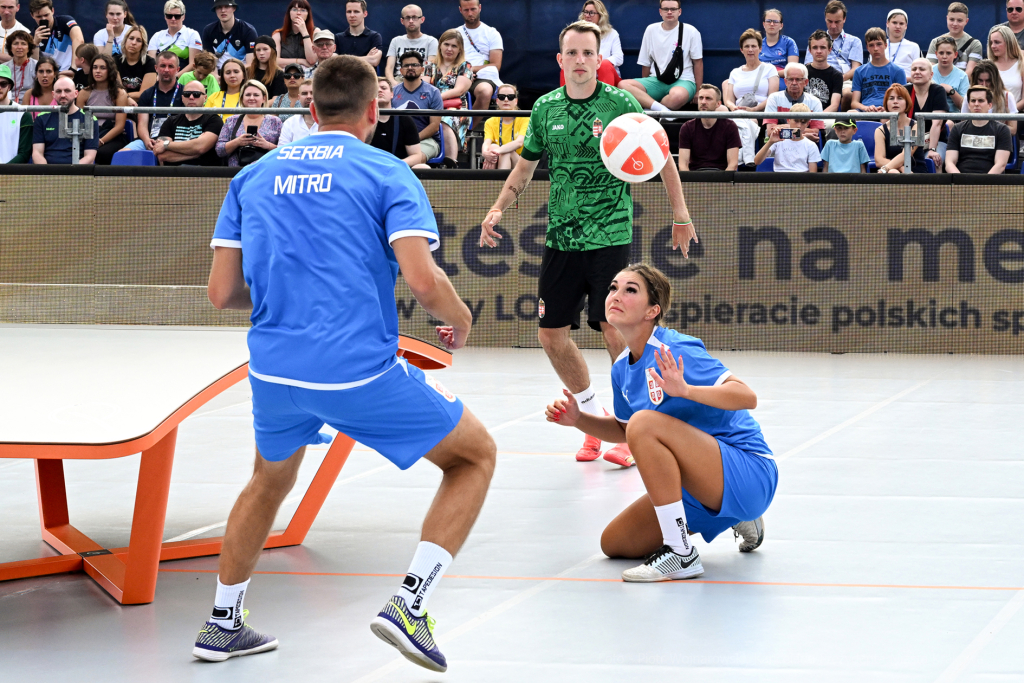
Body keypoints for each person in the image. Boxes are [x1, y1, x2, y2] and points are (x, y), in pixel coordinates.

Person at [197, 54, 494, 673]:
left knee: (269, 481)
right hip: (355, 371)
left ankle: (222, 621)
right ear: (374, 110)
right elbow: (421, 276)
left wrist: (286, 296)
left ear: (309, 110)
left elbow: (222, 293)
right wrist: (461, 319)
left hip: (274, 372)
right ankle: (411, 605)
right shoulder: (386, 172)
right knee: (474, 456)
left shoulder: (251, 178)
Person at [480, 21, 695, 466]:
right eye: (572, 53)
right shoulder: (544, 108)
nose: (580, 60)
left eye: (587, 53)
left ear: (600, 59)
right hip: (561, 236)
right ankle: (592, 419)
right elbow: (523, 170)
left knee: (613, 330)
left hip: (609, 236)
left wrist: (681, 216)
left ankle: (627, 431)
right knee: (550, 333)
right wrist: (498, 207)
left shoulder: (619, 103)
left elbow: (662, 160)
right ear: (560, 60)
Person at [546, 263, 776, 581]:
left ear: (652, 310)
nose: (615, 294)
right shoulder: (621, 369)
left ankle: (681, 552)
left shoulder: (675, 350)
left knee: (644, 423)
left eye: (630, 290)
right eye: (613, 287)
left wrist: (687, 390)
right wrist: (578, 420)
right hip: (698, 486)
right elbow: (625, 431)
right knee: (614, 543)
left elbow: (746, 396)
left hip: (748, 472)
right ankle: (732, 517)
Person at [619, 0, 703, 113]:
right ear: (660, 11)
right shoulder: (651, 30)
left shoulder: (691, 31)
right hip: (656, 80)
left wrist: (698, 92)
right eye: (665, 9)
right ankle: (662, 110)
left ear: (680, 11)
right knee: (622, 85)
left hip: (684, 81)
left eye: (673, 9)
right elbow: (645, 63)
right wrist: (644, 92)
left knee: (677, 97)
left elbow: (698, 63)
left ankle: (651, 109)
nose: (669, 12)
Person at [424, 29, 471, 167]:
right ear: (440, 46)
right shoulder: (429, 65)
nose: (449, 49)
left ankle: (451, 162)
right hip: (431, 106)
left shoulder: (465, 66)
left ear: (459, 49)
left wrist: (437, 98)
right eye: (446, 44)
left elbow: (459, 90)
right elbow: (424, 87)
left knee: (445, 119)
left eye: (454, 46)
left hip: (456, 107)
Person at [804, 0, 862, 109]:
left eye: (837, 22)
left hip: (844, 79)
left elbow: (856, 69)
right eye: (829, 21)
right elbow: (808, 65)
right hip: (818, 76)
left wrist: (839, 78)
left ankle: (844, 123)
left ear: (844, 19)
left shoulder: (854, 41)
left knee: (849, 94)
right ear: (825, 18)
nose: (833, 25)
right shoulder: (815, 39)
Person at [152, 79, 222, 165]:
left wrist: (166, 145)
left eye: (196, 94)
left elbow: (200, 147)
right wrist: (196, 153)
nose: (191, 97)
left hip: (204, 175)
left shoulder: (214, 119)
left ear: (205, 98)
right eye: (187, 94)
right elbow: (162, 155)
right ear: (182, 98)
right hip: (175, 175)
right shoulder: (170, 121)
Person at [76, 53, 128, 164]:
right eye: (95, 67)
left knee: (102, 153)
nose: (97, 71)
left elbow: (119, 126)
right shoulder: (84, 93)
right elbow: (79, 121)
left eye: (102, 68)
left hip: (112, 137)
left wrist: (101, 141)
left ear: (110, 71)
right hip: (89, 135)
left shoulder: (120, 93)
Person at [947, 84, 1013, 172]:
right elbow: (949, 163)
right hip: (962, 181)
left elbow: (1001, 164)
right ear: (969, 105)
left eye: (981, 101)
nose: (976, 104)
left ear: (990, 105)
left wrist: (983, 183)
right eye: (973, 101)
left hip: (990, 182)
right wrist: (960, 181)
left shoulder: (1002, 130)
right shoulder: (957, 129)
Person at [216, 78, 281, 167]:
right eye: (248, 95)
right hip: (236, 173)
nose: (251, 98)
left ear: (264, 98)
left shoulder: (275, 121)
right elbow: (219, 151)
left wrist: (268, 145)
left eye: (256, 95)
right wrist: (237, 142)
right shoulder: (231, 121)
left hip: (265, 171)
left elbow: (285, 151)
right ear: (242, 98)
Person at [392, 50, 443, 163]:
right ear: (400, 70)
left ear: (422, 69)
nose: (410, 67)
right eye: (406, 65)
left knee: (416, 159)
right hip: (397, 139)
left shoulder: (433, 92)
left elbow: (434, 126)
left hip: (426, 140)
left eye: (414, 65)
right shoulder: (393, 92)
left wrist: (411, 140)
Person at [32, 75, 96, 163]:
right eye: (58, 91)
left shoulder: (89, 119)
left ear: (76, 93)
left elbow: (90, 156)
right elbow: (37, 153)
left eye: (67, 91)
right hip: (48, 172)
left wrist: (71, 173)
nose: (62, 95)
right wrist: (46, 173)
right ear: (53, 94)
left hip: (77, 173)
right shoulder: (41, 118)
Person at [677, 84, 740, 171]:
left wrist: (722, 183)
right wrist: (690, 183)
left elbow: (733, 164)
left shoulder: (730, 126)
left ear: (718, 104)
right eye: (701, 98)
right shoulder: (687, 127)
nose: (703, 102)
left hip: (721, 178)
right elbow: (683, 165)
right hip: (695, 179)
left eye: (708, 98)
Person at [130, 51, 185, 153]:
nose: (166, 70)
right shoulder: (147, 94)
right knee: (123, 154)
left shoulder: (185, 93)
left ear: (178, 69)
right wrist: (147, 140)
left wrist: (167, 144)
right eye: (163, 66)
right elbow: (142, 124)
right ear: (156, 68)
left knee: (162, 155)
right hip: (148, 140)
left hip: (175, 142)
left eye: (171, 66)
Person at [457, 0, 502, 117]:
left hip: (482, 77)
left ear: (480, 8)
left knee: (485, 91)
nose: (470, 13)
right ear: (460, 10)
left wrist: (471, 70)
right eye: (466, 10)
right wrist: (464, 73)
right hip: (458, 75)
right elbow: (447, 60)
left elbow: (496, 65)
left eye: (473, 9)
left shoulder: (492, 33)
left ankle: (467, 131)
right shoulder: (455, 33)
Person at [722, 28, 779, 112]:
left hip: (761, 113)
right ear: (741, 50)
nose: (750, 50)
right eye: (746, 46)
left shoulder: (770, 69)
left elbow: (772, 97)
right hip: (739, 113)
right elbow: (729, 100)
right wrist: (733, 108)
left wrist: (754, 110)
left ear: (760, 49)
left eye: (753, 46)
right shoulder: (735, 72)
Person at [851, 27, 907, 111]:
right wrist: (866, 108)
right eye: (871, 45)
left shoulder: (898, 71)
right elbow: (854, 102)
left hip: (889, 111)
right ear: (867, 47)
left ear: (885, 45)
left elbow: (904, 100)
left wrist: (886, 109)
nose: (875, 49)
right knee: (850, 113)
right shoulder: (859, 71)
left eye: (879, 44)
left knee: (884, 118)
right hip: (865, 111)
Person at [764, 62, 824, 140]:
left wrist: (784, 127)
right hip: (779, 147)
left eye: (798, 79)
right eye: (791, 79)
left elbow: (815, 133)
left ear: (805, 82)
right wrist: (802, 133)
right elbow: (770, 132)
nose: (794, 83)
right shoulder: (773, 98)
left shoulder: (815, 102)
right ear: (785, 81)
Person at [875, 83, 927, 173]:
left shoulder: (917, 126)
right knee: (893, 172)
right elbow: (879, 160)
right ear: (886, 104)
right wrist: (901, 168)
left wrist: (885, 168)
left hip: (916, 172)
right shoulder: (880, 130)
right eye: (891, 98)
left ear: (907, 102)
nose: (895, 101)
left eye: (900, 98)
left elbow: (907, 154)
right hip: (893, 171)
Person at [754, 103, 821, 172]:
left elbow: (812, 175)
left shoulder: (811, 145)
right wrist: (770, 142)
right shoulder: (778, 140)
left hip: (801, 180)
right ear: (788, 120)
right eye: (796, 121)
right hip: (780, 179)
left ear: (807, 123)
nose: (799, 125)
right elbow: (757, 161)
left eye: (803, 122)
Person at [371, 76, 422, 165]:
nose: (379, 91)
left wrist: (396, 165)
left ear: (392, 94)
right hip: (372, 168)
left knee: (423, 167)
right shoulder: (364, 120)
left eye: (384, 88)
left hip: (398, 169)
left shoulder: (405, 120)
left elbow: (417, 156)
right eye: (375, 89)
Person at [908, 57, 948, 167]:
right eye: (914, 69)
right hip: (909, 140)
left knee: (935, 160)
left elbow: (937, 123)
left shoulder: (938, 91)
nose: (917, 72)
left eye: (921, 69)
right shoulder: (904, 91)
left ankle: (937, 184)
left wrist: (932, 149)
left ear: (931, 74)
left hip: (935, 141)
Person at [384, 4, 436, 85]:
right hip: (399, 80)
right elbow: (389, 68)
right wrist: (394, 84)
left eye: (414, 17)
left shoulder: (431, 41)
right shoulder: (396, 41)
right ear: (402, 21)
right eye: (407, 18)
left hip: (421, 81)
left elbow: (429, 71)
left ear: (422, 19)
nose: (411, 21)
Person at [963, 59, 1018, 135]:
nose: (984, 85)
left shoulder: (1007, 96)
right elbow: (963, 126)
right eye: (980, 80)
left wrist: (986, 127)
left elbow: (1013, 130)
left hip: (999, 140)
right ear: (975, 80)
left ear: (995, 80)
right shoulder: (969, 97)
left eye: (988, 80)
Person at [926, 2, 982, 75]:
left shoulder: (975, 44)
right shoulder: (935, 42)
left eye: (959, 20)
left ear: (966, 21)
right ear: (947, 19)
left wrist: (952, 85)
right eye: (951, 19)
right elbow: (931, 70)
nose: (955, 24)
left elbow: (970, 73)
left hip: (963, 85)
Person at [481, 82, 527, 169]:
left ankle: (496, 181)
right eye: (502, 97)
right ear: (497, 101)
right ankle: (499, 181)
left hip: (520, 163)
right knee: (492, 147)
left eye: (510, 97)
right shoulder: (490, 122)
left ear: (516, 101)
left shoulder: (525, 119)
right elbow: (487, 142)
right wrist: (485, 153)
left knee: (506, 151)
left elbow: (519, 143)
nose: (506, 100)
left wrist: (497, 151)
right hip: (498, 158)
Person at [29, 0, 83, 74]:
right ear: (32, 15)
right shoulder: (32, 35)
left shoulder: (65, 21)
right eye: (39, 16)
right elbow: (34, 66)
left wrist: (73, 68)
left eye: (46, 15)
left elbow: (79, 39)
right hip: (51, 76)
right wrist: (35, 43)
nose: (43, 19)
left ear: (52, 11)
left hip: (73, 71)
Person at [149, 0, 203, 73]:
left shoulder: (192, 34)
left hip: (183, 79)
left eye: (177, 16)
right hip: (160, 78)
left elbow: (193, 64)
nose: (173, 19)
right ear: (165, 17)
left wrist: (175, 77)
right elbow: (151, 63)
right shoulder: (157, 36)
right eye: (169, 16)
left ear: (183, 17)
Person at [202, 0, 256, 68]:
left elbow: (250, 64)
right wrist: (217, 77)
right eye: (219, 7)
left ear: (234, 8)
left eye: (227, 6)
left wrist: (232, 73)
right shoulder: (208, 30)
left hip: (241, 73)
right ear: (215, 10)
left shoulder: (248, 30)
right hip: (216, 75)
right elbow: (209, 63)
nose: (223, 10)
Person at [335, 0, 382, 70]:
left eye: (356, 12)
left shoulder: (374, 36)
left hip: (367, 79)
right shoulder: (338, 38)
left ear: (365, 14)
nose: (352, 15)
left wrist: (343, 60)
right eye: (349, 12)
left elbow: (374, 61)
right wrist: (366, 58)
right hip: (343, 79)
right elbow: (334, 62)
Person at [987, 25, 1024, 112]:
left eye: (997, 42)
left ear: (1008, 42)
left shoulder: (1021, 64)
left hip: (1014, 116)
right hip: (990, 117)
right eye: (991, 42)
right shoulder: (988, 66)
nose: (992, 46)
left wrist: (1008, 112)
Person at [0, 63, 32, 162]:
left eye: (3, 84)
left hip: (11, 174)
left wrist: (4, 171)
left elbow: (25, 153)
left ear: (9, 87)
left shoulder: (23, 114)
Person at [805, 30, 844, 112]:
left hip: (825, 118)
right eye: (815, 47)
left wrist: (816, 119)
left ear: (829, 50)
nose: (819, 51)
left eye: (822, 47)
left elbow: (834, 106)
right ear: (810, 50)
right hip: (802, 117)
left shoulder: (837, 75)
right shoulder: (802, 72)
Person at [580, 1, 622, 75]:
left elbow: (619, 58)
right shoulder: (576, 33)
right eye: (585, 12)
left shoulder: (612, 33)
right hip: (586, 74)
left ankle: (605, 87)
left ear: (601, 15)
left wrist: (599, 63)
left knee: (604, 65)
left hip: (607, 74)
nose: (587, 15)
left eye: (591, 13)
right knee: (567, 67)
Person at [272, 0, 315, 69]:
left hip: (308, 75)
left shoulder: (315, 32)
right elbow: (274, 61)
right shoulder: (277, 35)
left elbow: (312, 60)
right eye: (295, 9)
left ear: (308, 14)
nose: (298, 13)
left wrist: (304, 32)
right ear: (289, 13)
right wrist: (301, 61)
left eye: (303, 10)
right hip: (285, 74)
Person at [117, 25, 155, 99]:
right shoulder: (115, 61)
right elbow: (117, 92)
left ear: (143, 45)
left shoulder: (150, 62)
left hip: (142, 106)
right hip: (119, 105)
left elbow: (145, 94)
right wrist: (126, 98)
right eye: (131, 38)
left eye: (139, 40)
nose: (134, 43)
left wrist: (126, 97)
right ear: (125, 40)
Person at [932, 35, 969, 111]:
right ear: (936, 54)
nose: (944, 56)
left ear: (955, 54)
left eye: (948, 53)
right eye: (941, 53)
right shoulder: (928, 72)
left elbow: (965, 107)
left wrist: (951, 91)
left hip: (954, 119)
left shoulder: (962, 76)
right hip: (930, 117)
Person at [885, 9, 921, 79]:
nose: (898, 26)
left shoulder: (914, 46)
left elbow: (919, 73)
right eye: (894, 23)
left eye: (901, 23)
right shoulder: (878, 45)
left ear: (906, 26)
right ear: (887, 23)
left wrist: (901, 79)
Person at [205, 56, 245, 121]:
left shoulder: (250, 97)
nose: (232, 75)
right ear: (223, 76)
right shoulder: (213, 97)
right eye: (228, 72)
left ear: (244, 75)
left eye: (236, 72)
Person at [277, 77, 315, 143]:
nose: (309, 96)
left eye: (312, 93)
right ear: (299, 97)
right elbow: (283, 149)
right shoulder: (289, 123)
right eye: (304, 93)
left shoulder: (329, 122)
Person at [3, 29, 34, 101]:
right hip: (7, 105)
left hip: (30, 106)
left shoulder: (37, 66)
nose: (19, 47)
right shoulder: (3, 68)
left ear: (29, 48)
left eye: (23, 43)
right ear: (10, 48)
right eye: (15, 43)